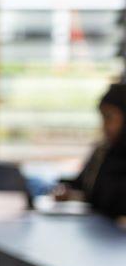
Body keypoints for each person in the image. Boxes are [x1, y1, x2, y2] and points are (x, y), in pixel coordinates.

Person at [54, 82, 126, 217]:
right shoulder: (103, 150)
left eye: (109, 118)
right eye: (102, 117)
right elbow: (84, 184)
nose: (104, 126)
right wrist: (67, 190)